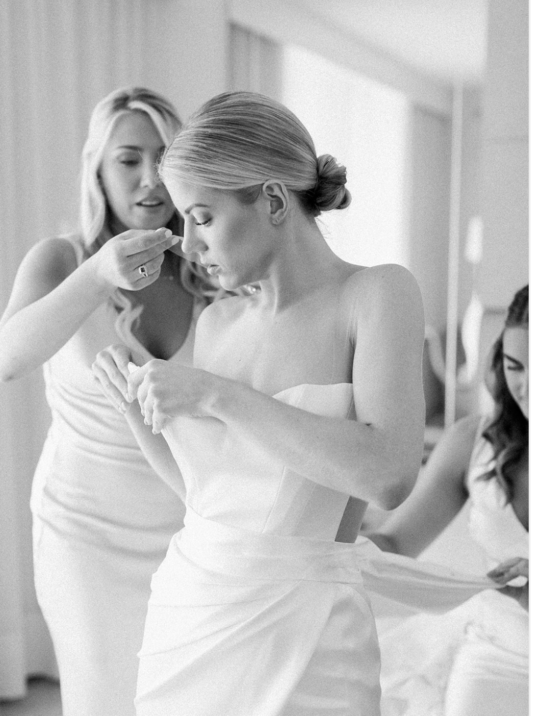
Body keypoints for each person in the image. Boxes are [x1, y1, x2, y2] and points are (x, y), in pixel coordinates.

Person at [91, 90, 497, 715]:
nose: (190, 247)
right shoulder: (219, 322)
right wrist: (132, 410)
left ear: (273, 200)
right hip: (192, 607)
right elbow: (210, 495)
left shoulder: (376, 294)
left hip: (307, 626)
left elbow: (388, 474)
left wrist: (219, 396)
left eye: (201, 216)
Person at [0, 87, 220, 716]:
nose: (150, 178)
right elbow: (8, 358)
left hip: (183, 521)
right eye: (129, 159)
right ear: (98, 166)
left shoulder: (209, 268)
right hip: (84, 532)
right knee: (102, 697)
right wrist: (97, 275)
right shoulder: (60, 259)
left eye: (165, 157)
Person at [367, 285, 529, 716]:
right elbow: (396, 544)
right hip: (496, 655)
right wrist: (327, 548)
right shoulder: (472, 442)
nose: (526, 387)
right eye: (515, 367)